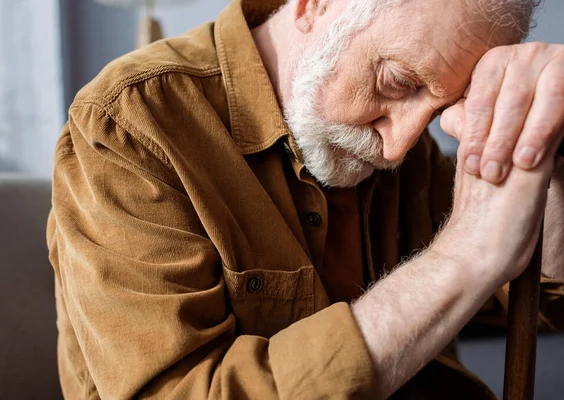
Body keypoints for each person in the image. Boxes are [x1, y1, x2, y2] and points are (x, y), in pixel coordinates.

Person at [47, 0, 564, 398]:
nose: (400, 145)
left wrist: (551, 156)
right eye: (398, 82)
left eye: (438, 111)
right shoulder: (131, 126)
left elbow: (535, 299)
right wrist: (458, 260)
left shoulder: (402, 145)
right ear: (313, 5)